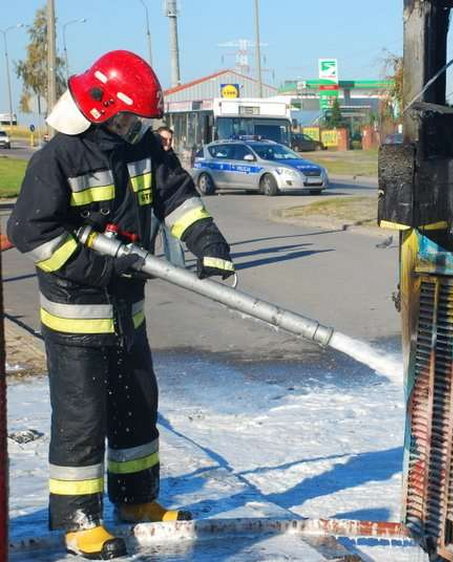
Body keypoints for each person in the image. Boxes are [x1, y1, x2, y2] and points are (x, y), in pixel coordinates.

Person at [6, 50, 235, 560]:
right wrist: (100, 269)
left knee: (136, 407)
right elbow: (29, 231)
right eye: (128, 117)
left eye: (140, 120)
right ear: (99, 105)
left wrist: (210, 247)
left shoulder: (143, 146)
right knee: (82, 417)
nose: (136, 127)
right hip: (74, 312)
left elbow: (177, 198)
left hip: (126, 310)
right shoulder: (59, 157)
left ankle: (136, 502)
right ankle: (79, 520)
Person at [149, 125, 186, 268]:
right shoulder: (150, 157)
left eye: (170, 140)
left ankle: (178, 270)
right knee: (148, 239)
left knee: (173, 238)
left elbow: (179, 179)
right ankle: (146, 266)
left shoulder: (172, 158)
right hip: (152, 206)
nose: (168, 143)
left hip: (169, 205)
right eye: (164, 139)